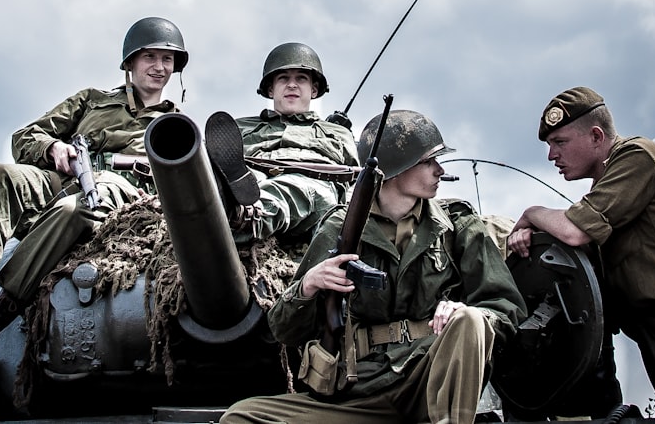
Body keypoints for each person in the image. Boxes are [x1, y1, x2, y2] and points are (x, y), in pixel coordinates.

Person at [221, 108, 526, 424]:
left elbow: (505, 308)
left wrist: (468, 316)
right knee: (241, 418)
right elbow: (284, 330)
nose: (439, 170)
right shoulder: (339, 227)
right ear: (395, 170)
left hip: (431, 377)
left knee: (469, 320)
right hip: (361, 388)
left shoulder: (458, 224)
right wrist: (307, 287)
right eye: (427, 161)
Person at [0, 16, 188, 365]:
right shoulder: (92, 101)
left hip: (121, 195)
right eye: (150, 57)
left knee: (76, 210)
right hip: (64, 176)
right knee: (0, 174)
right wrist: (52, 149)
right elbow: (24, 138)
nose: (160, 67)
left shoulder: (177, 126)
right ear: (130, 63)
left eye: (168, 59)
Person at [507, 86, 655, 424]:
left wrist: (532, 212)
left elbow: (575, 230)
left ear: (595, 135)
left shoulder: (638, 156)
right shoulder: (607, 185)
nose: (552, 156)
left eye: (560, 142)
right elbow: (578, 245)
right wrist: (529, 236)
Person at [205, 42, 360, 244]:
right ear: (271, 89)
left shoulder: (337, 133)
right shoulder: (239, 127)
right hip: (252, 176)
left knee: (291, 188)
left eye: (301, 79)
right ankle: (225, 202)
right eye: (284, 78)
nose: (292, 85)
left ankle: (247, 217)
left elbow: (354, 183)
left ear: (314, 90)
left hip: (313, 185)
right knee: (242, 180)